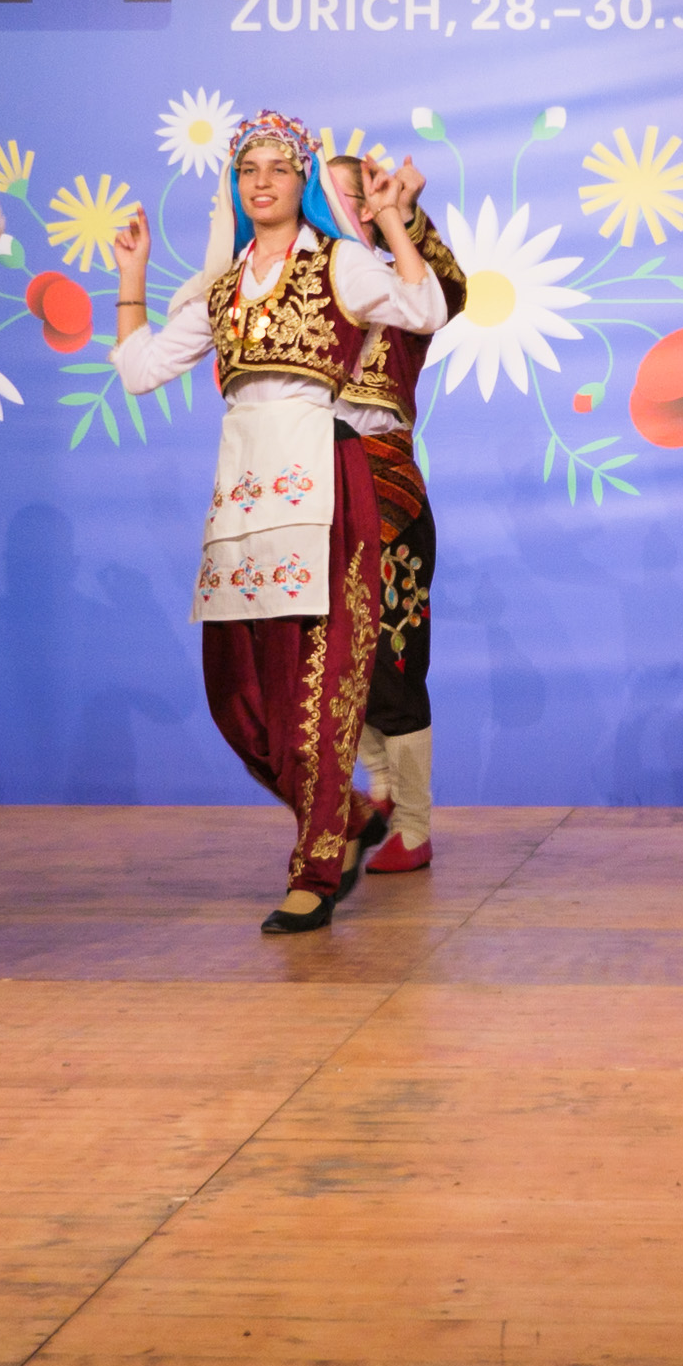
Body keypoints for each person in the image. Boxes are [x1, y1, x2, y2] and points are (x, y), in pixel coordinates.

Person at [111, 117, 444, 930]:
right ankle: (349, 818)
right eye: (247, 170)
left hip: (326, 488)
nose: (262, 182)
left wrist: (394, 217)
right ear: (234, 187)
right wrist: (133, 276)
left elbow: (425, 305)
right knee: (239, 697)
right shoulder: (223, 289)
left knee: (323, 690)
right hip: (242, 501)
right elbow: (141, 371)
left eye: (279, 169)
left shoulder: (340, 262)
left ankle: (314, 869)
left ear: (304, 185)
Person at [321, 145, 468, 876]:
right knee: (333, 656)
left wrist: (404, 215)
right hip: (313, 491)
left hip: (385, 493)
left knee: (391, 659)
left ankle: (412, 824)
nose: (345, 207)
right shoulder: (305, 287)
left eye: (360, 196)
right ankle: (378, 795)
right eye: (336, 195)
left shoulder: (401, 284)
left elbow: (449, 290)